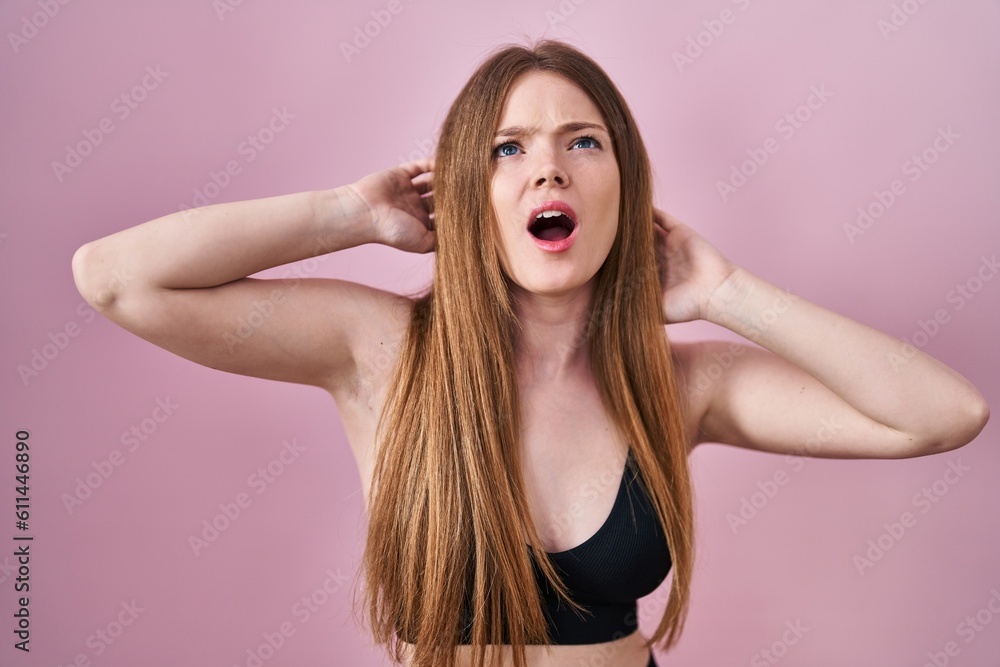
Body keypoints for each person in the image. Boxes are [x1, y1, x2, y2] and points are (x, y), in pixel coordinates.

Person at [71, 39, 989, 667]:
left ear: (622, 187)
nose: (548, 168)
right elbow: (115, 278)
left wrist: (723, 292)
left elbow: (945, 414)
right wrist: (350, 214)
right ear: (470, 192)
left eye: (582, 142)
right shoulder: (380, 349)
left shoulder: (679, 387)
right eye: (508, 150)